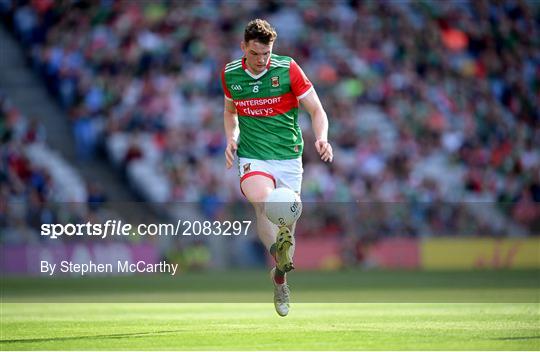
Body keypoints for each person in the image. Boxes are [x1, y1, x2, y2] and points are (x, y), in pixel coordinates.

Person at [221, 19, 333, 316]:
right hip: (253, 155)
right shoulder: (231, 74)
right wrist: (231, 139)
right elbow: (230, 112)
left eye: (266, 53)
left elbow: (316, 110)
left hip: (288, 158)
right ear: (243, 47)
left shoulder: (288, 69)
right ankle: (277, 253)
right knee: (265, 203)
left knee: (287, 224)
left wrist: (321, 138)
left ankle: (280, 276)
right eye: (255, 53)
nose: (261, 60)